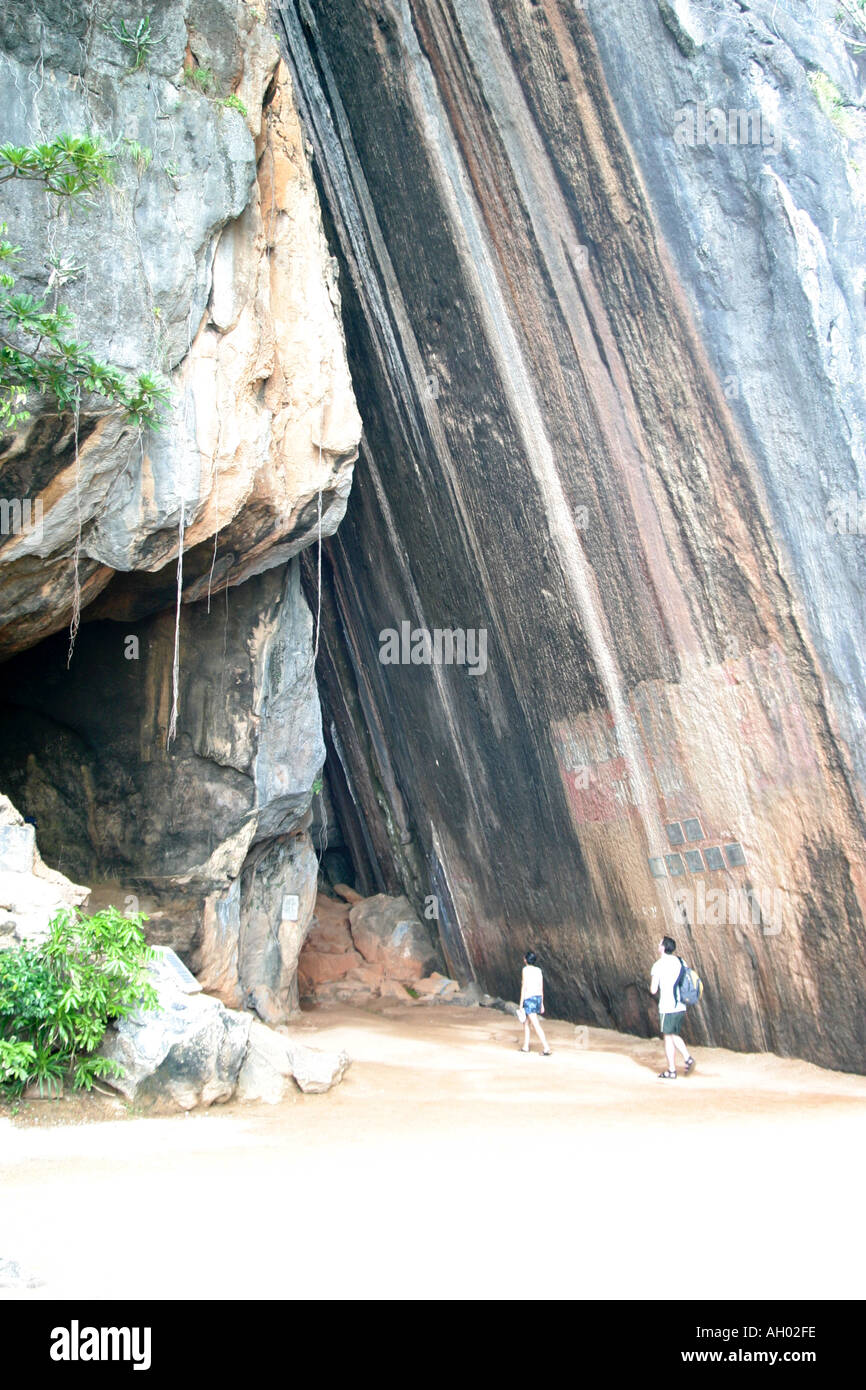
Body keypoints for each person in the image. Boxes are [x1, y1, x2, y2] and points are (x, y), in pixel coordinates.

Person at [650, 936, 695, 1079]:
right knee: (673, 1034)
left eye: (659, 943)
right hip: (680, 1004)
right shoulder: (681, 962)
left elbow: (653, 990)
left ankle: (672, 1070)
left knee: (668, 1037)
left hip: (667, 1006)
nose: (658, 945)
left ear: (663, 947)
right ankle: (686, 1060)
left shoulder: (658, 965)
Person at [519, 950, 551, 1055]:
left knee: (535, 1024)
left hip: (529, 999)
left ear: (526, 960)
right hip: (537, 998)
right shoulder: (538, 970)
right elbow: (540, 987)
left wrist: (520, 1004)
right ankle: (525, 1046)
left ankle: (546, 1048)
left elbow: (524, 987)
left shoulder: (525, 970)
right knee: (526, 1023)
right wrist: (541, 1003)